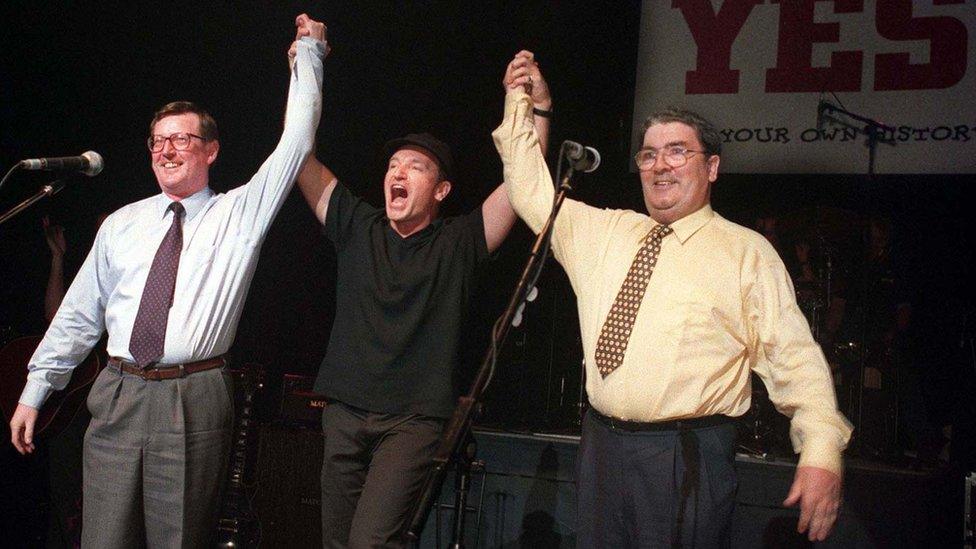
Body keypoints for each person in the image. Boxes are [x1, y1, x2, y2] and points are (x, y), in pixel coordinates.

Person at [8, 14, 327, 547]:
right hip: (117, 392)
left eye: (182, 139)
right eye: (158, 141)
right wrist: (35, 390)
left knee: (177, 540)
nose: (167, 150)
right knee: (102, 539)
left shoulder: (237, 215)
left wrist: (310, 57)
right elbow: (79, 315)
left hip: (192, 394)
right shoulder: (122, 223)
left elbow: (295, 143)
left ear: (211, 150)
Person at [493, 89, 853, 546]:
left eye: (678, 151)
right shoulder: (604, 233)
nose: (660, 165)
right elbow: (527, 188)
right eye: (649, 155)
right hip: (601, 447)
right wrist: (524, 103)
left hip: (686, 454)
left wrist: (821, 450)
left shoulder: (745, 252)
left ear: (713, 167)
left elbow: (794, 357)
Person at [293, 50, 551, 548]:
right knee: (336, 543)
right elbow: (298, 157)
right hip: (344, 413)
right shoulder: (357, 226)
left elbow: (525, 183)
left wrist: (532, 108)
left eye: (415, 166)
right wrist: (307, 64)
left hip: (411, 422)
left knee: (370, 542)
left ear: (441, 189)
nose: (399, 172)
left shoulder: (459, 241)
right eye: (393, 165)